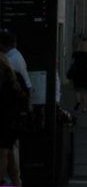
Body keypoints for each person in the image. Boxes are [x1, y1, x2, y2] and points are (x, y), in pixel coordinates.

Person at [0, 52, 27, 186]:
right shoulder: (15, 78)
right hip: (11, 122)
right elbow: (24, 96)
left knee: (4, 152)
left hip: (4, 122)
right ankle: (16, 181)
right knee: (9, 153)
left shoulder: (6, 79)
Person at [68, 35, 87, 113]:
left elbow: (72, 62)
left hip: (77, 72)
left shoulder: (76, 52)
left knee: (77, 89)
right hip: (86, 72)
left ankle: (78, 101)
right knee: (85, 91)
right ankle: (84, 108)